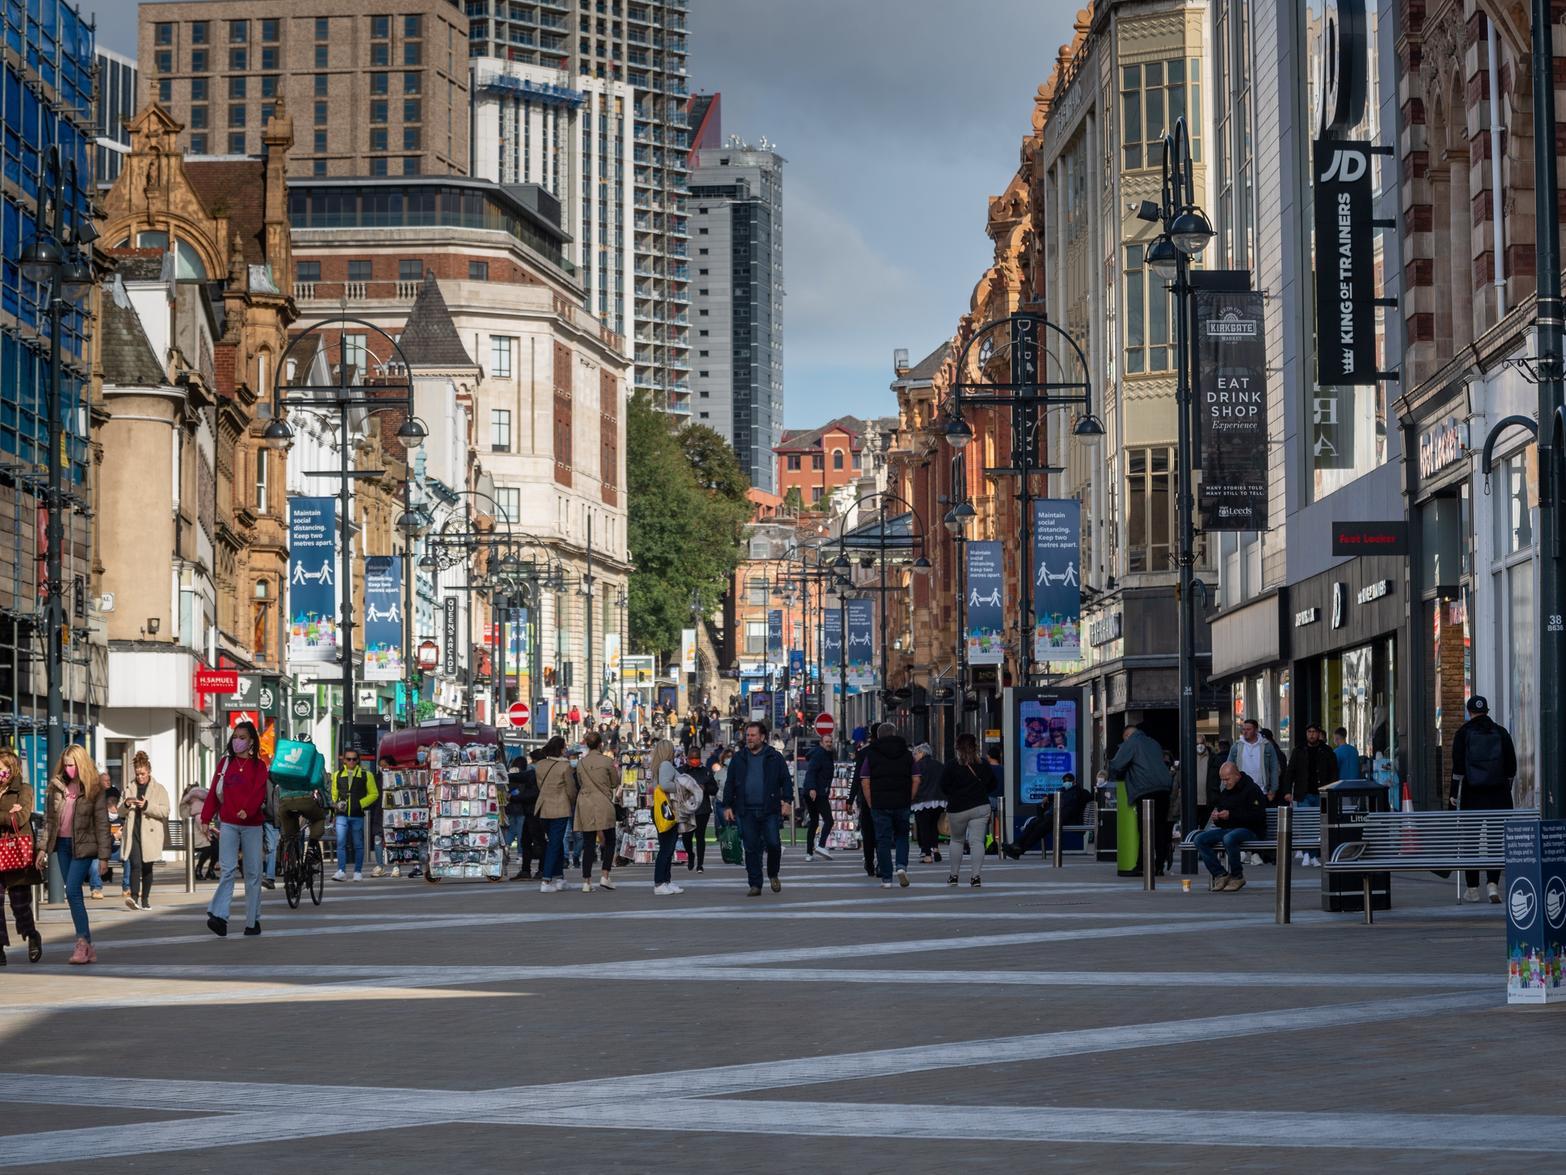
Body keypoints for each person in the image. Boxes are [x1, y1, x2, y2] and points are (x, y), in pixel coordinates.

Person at [41, 745, 111, 965]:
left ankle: (82, 942)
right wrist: (42, 848)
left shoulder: (94, 789)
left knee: (71, 890)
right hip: (61, 845)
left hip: (83, 845)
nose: (68, 768)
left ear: (81, 764)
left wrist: (104, 857)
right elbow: (49, 820)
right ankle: (87, 945)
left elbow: (102, 823)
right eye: (65, 764)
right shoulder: (57, 786)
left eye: (71, 764)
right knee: (74, 895)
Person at [201, 722, 271, 938]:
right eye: (235, 736)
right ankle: (219, 917)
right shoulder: (225, 763)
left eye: (242, 737)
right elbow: (214, 791)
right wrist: (205, 818)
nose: (237, 741)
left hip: (252, 825)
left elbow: (259, 793)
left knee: (252, 874)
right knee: (228, 870)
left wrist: (247, 810)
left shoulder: (259, 766)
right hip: (229, 824)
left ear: (251, 741)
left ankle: (252, 922)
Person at [1451, 695, 1517, 903]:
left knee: (1470, 840)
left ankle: (1472, 889)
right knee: (1495, 841)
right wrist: (1506, 788)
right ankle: (1492, 886)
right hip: (1499, 795)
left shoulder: (1463, 733)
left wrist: (1454, 794)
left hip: (1472, 795)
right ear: (1487, 711)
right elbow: (1511, 767)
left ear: (1469, 712)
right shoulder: (1501, 732)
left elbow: (1458, 769)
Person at [721, 721, 792, 896]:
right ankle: (755, 884)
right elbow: (730, 783)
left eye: (753, 735)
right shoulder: (739, 758)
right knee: (751, 848)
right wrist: (728, 805)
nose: (749, 739)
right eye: (747, 735)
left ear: (762, 737)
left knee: (774, 844)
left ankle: (773, 873)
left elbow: (785, 780)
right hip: (746, 811)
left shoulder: (774, 757)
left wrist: (787, 801)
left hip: (770, 809)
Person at [860, 723, 920, 889]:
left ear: (877, 736)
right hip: (902, 802)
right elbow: (916, 779)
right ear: (895, 734)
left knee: (883, 840)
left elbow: (865, 781)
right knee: (902, 836)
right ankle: (901, 866)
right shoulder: (907, 755)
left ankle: (886, 878)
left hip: (880, 803)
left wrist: (871, 801)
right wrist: (910, 797)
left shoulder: (871, 755)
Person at [1107, 723, 1172, 874]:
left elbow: (1116, 764)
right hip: (1164, 789)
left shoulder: (1132, 742)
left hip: (1146, 790)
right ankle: (1159, 865)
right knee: (1160, 829)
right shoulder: (1153, 742)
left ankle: (1141, 866)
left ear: (1127, 735)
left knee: (1145, 830)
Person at [1193, 762, 1268, 891]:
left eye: (1227, 779)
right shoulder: (1226, 793)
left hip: (1251, 830)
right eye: (1222, 780)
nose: (1225, 783)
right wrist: (1218, 818)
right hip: (1230, 829)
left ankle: (1237, 876)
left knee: (1229, 838)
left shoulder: (1252, 789)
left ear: (1237, 775)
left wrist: (1231, 815)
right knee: (1199, 839)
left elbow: (1258, 816)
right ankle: (1220, 874)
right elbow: (1223, 820)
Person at [0, 748, 43, 965]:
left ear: (11, 769)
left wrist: (11, 816)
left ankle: (32, 935)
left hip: (15, 853)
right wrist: (8, 814)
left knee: (19, 905)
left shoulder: (24, 790)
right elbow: (11, 817)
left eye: (1, 770)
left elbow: (23, 816)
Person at [118, 751, 169, 912]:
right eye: (137, 773)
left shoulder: (159, 789)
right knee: (135, 865)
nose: (140, 777)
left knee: (147, 867)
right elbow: (120, 811)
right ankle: (133, 898)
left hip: (151, 834)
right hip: (133, 832)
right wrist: (126, 804)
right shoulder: (129, 788)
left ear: (149, 771)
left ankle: (145, 899)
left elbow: (165, 811)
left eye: (143, 774)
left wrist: (147, 806)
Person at [942, 733, 994, 887]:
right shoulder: (984, 764)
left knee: (956, 841)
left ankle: (954, 875)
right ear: (975, 747)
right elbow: (993, 784)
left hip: (958, 808)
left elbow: (943, 786)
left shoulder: (951, 765)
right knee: (977, 842)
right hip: (980, 806)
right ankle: (976, 876)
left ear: (957, 747)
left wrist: (955, 794)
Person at [1004, 774, 1093, 859]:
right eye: (1064, 781)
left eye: (1068, 781)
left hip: (1065, 818)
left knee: (1040, 829)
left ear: (1074, 782)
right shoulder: (1062, 791)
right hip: (1053, 816)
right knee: (1033, 824)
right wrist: (1047, 797)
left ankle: (1019, 850)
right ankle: (1016, 845)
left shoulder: (1080, 792)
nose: (1066, 783)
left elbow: (1088, 797)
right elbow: (1054, 796)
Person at [573, 731, 619, 893]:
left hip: (585, 803)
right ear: (600, 744)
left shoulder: (581, 763)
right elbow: (615, 782)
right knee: (610, 839)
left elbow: (579, 782)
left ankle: (587, 881)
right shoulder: (607, 761)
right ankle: (605, 875)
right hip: (603, 802)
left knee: (588, 842)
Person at [533, 735, 577, 893]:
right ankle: (546, 880)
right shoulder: (565, 767)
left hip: (543, 807)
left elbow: (540, 785)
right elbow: (571, 790)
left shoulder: (540, 765)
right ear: (560, 749)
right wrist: (572, 802)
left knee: (554, 842)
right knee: (554, 844)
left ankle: (559, 878)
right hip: (560, 807)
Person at [329, 747, 379, 883]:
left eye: (354, 759)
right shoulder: (336, 775)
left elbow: (374, 794)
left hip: (357, 814)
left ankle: (357, 871)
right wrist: (333, 811)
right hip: (341, 814)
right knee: (340, 843)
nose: (351, 761)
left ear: (358, 760)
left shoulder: (366, 775)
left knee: (358, 844)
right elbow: (333, 795)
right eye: (348, 759)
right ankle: (341, 871)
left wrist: (361, 804)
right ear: (344, 760)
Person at [647, 739, 684, 895]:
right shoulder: (666, 766)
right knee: (667, 848)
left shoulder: (658, 766)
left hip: (660, 809)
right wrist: (681, 786)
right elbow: (665, 785)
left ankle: (666, 881)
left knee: (667, 846)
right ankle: (660, 882)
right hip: (667, 809)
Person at [1227, 720, 1281, 801]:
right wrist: (1225, 790)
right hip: (1240, 790)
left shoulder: (1267, 745)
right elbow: (1228, 768)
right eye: (1243, 729)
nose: (1245, 732)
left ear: (1256, 730)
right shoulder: (1236, 746)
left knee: (1259, 813)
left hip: (1261, 791)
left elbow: (1274, 768)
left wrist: (1273, 790)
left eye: (1248, 729)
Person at [681, 749, 717, 873]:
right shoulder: (681, 771)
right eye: (692, 758)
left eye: (697, 758)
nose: (694, 761)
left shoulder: (705, 771)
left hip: (702, 809)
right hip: (686, 809)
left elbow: (714, 789)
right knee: (686, 836)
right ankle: (690, 855)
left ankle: (700, 864)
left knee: (700, 836)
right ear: (687, 758)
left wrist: (705, 788)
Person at [911, 743, 947, 864]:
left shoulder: (917, 766)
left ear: (921, 753)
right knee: (933, 825)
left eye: (916, 754)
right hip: (939, 800)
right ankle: (935, 849)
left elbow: (915, 782)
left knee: (924, 827)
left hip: (921, 800)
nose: (915, 756)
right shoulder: (939, 765)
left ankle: (927, 854)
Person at [801, 738, 836, 862]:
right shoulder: (820, 754)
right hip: (816, 792)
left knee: (814, 822)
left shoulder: (826, 754)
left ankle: (809, 853)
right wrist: (812, 788)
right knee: (829, 820)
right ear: (821, 743)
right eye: (826, 742)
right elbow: (811, 772)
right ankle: (821, 846)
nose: (829, 744)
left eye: (830, 741)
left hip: (815, 791)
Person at [181, 781, 217, 879]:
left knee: (216, 846)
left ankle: (210, 870)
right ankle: (198, 869)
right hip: (191, 835)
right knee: (209, 848)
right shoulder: (186, 805)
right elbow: (198, 820)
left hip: (200, 834)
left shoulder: (197, 804)